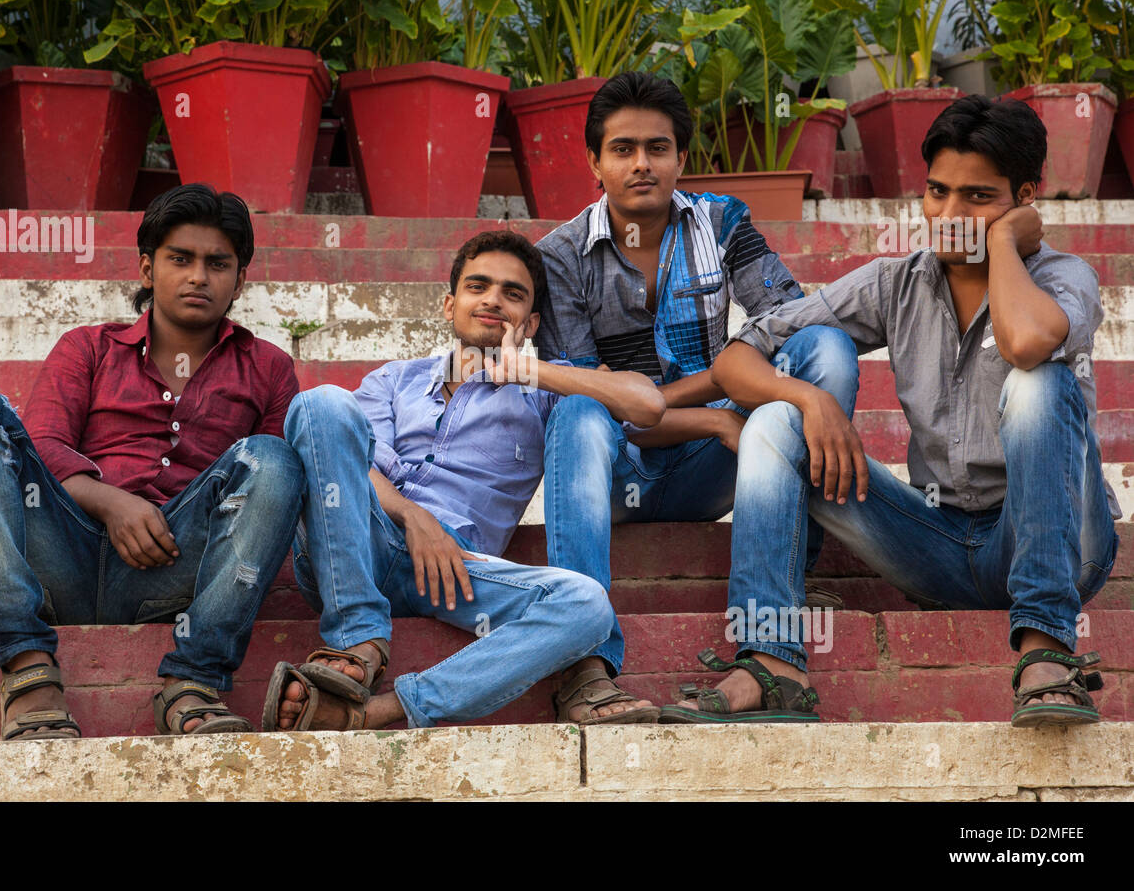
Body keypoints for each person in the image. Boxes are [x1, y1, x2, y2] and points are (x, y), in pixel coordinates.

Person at [661, 94, 1120, 726]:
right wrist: (808, 397)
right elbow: (742, 356)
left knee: (1037, 384)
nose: (950, 216)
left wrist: (1007, 244)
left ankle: (1046, 651)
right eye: (937, 192)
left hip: (1059, 543)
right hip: (937, 543)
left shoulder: (1065, 276)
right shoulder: (898, 281)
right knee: (774, 421)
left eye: (979, 198)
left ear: (1024, 196)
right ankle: (771, 661)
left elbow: (1025, 342)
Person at [0, 184, 304, 740]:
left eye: (218, 263)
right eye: (180, 259)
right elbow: (45, 444)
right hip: (61, 555)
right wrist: (112, 502)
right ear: (148, 270)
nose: (199, 276)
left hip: (176, 569)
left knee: (276, 458)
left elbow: (279, 492)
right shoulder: (89, 347)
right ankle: (28, 672)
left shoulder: (267, 366)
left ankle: (194, 680)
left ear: (239, 280)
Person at [531, 70, 854, 721]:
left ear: (682, 157)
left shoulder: (723, 222)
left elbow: (790, 322)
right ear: (594, 161)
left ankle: (788, 585)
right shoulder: (558, 258)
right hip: (619, 467)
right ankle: (584, 660)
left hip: (710, 467)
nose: (641, 164)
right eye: (622, 149)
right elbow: (601, 400)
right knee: (576, 408)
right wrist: (712, 416)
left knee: (822, 348)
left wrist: (715, 399)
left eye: (658, 147)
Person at [263, 230, 667, 732]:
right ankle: (358, 637)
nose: (493, 300)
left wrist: (532, 371)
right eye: (478, 287)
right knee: (320, 402)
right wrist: (413, 516)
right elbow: (348, 463)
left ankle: (373, 710)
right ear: (451, 304)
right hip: (354, 542)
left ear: (533, 321)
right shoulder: (395, 379)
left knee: (586, 605)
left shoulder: (543, 390)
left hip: (453, 573)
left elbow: (648, 405)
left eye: (513, 294)